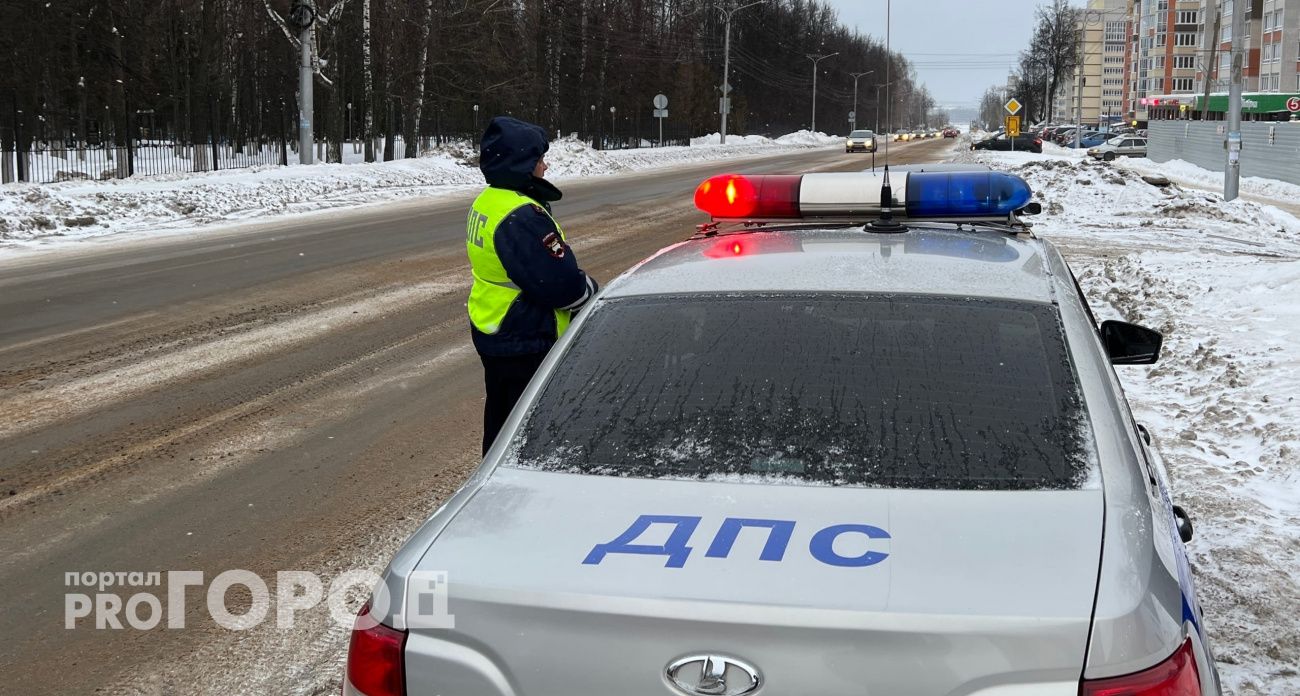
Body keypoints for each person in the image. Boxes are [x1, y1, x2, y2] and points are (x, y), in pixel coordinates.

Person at [466, 116, 599, 456]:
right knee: (528, 434)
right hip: (525, 338)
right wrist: (590, 291)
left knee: (501, 423)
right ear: (522, 163)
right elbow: (562, 286)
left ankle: (492, 480)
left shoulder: (490, 200)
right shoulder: (521, 216)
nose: (545, 165)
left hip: (496, 327)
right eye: (539, 158)